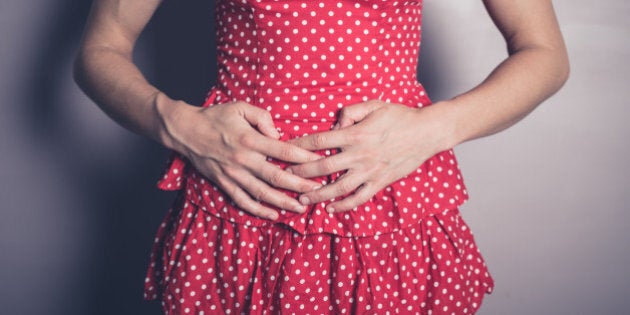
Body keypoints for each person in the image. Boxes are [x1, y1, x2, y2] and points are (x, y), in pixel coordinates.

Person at [74, 0, 569, 313]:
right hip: (239, 215)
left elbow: (544, 52)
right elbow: (101, 49)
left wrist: (434, 128)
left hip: (387, 218)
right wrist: (176, 123)